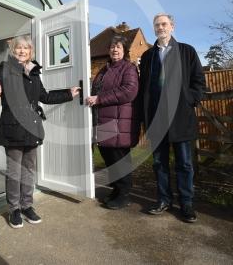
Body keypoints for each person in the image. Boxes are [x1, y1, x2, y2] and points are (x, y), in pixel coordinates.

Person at [0, 35, 80, 229]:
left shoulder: (35, 72)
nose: (22, 51)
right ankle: (14, 209)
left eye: (26, 48)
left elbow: (44, 96)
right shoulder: (5, 68)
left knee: (28, 170)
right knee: (14, 172)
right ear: (13, 50)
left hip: (32, 128)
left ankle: (27, 206)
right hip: (12, 127)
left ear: (31, 52)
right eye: (18, 48)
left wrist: (68, 93)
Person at [137, 13, 205, 223]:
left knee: (184, 164)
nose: (160, 27)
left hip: (180, 118)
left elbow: (199, 82)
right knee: (159, 164)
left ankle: (186, 203)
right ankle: (164, 200)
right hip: (157, 120)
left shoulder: (187, 51)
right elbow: (144, 89)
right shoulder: (148, 56)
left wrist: (188, 100)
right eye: (157, 25)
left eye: (164, 24)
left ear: (172, 27)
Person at [85, 35, 139, 209]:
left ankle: (124, 194)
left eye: (118, 47)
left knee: (119, 158)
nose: (114, 50)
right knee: (109, 157)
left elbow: (129, 91)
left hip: (119, 121)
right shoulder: (105, 69)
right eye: (112, 47)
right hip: (104, 121)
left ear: (124, 50)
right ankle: (116, 190)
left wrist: (99, 99)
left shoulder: (128, 68)